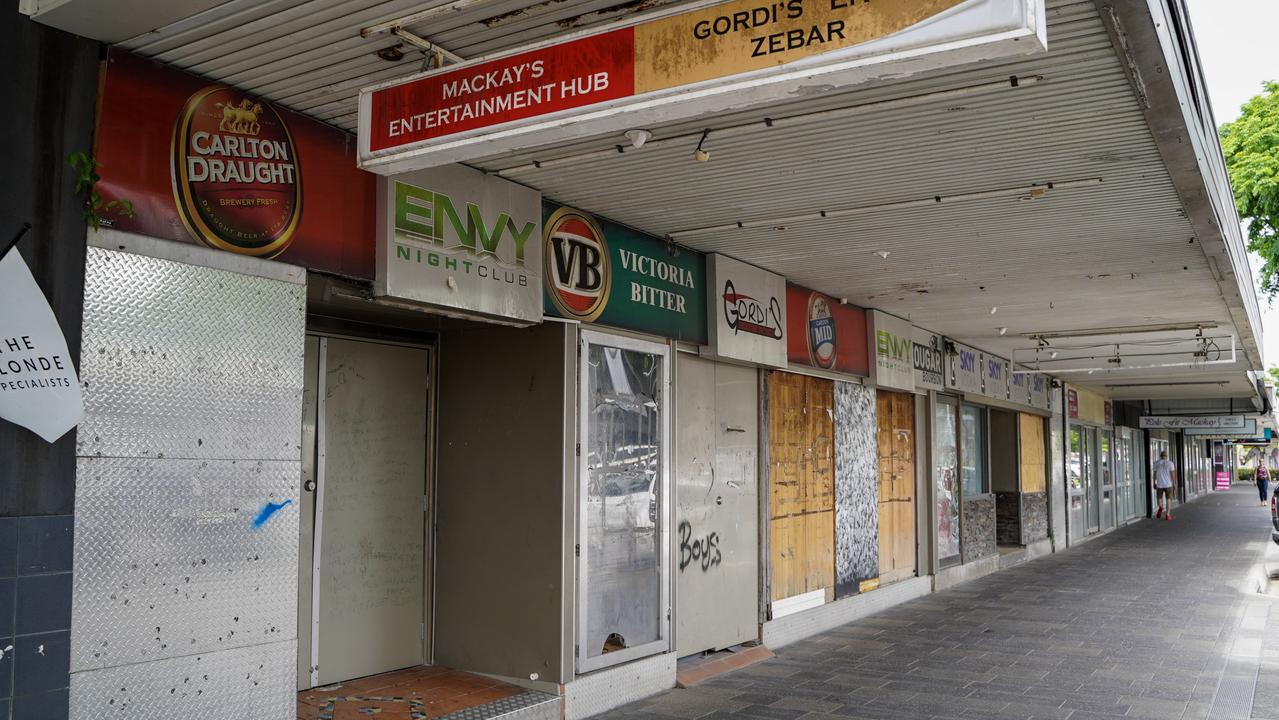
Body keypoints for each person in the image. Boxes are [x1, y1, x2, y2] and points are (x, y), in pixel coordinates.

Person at [1153, 451, 1176, 520]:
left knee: (1159, 498)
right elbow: (1172, 474)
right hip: (1168, 484)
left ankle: (1161, 507)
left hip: (1159, 484)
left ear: (1160, 456)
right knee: (1169, 499)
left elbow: (1154, 474)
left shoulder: (1156, 463)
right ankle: (1168, 515)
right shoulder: (1170, 463)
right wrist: (1174, 483)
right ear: (1166, 456)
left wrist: (1154, 482)